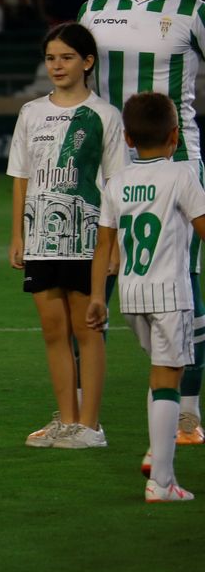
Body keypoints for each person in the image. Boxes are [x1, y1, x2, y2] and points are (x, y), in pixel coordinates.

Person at [78, 0, 205, 442]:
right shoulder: (95, 10)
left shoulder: (194, 13)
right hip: (112, 161)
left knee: (183, 281)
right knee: (95, 278)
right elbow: (72, 70)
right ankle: (81, 412)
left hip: (176, 163)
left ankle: (188, 411)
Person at [7, 23, 126, 448]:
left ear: (87, 62)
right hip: (41, 236)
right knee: (53, 331)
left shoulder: (105, 116)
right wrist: (18, 234)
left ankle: (90, 426)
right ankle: (67, 420)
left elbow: (117, 185)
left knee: (87, 330)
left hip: (87, 237)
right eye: (51, 57)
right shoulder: (31, 112)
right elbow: (21, 177)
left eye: (67, 57)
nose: (57, 65)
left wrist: (113, 246)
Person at [89, 92, 205, 503]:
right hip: (170, 292)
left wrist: (96, 298)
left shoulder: (117, 181)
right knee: (168, 379)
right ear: (175, 136)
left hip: (130, 294)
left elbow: (103, 246)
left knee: (159, 374)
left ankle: (158, 454)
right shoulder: (182, 175)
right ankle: (162, 481)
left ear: (128, 138)